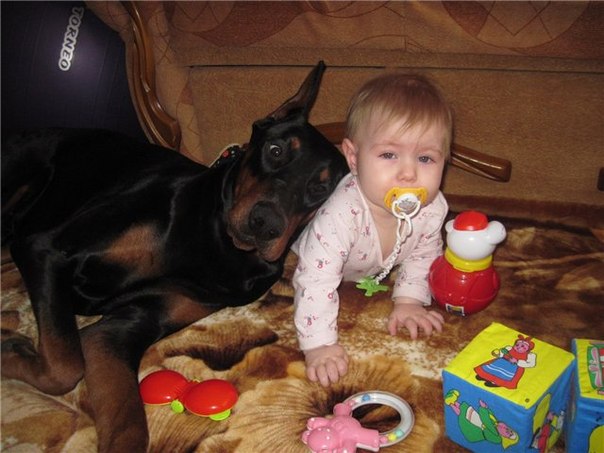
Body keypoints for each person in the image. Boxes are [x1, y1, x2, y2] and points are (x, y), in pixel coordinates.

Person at [292, 72, 453, 387]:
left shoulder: (432, 209)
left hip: (368, 269)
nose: (408, 173)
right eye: (389, 155)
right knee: (312, 267)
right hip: (315, 253)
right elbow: (316, 279)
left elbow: (424, 253)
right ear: (353, 157)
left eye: (425, 158)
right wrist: (318, 345)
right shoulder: (340, 215)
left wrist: (408, 299)